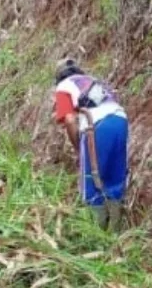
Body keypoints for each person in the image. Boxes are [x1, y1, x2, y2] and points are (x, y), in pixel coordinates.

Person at [53, 58, 129, 231]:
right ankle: (115, 234)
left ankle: (97, 235)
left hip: (96, 126)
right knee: (114, 178)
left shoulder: (63, 86)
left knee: (91, 183)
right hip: (120, 120)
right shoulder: (94, 81)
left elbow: (70, 120)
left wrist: (78, 148)